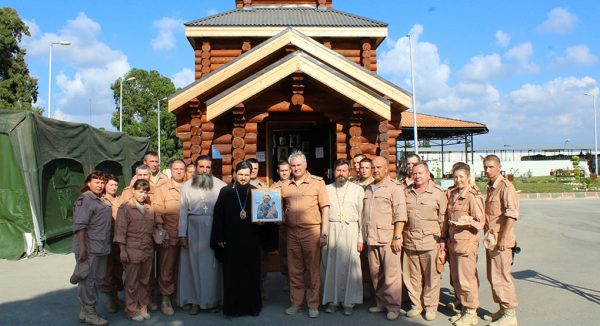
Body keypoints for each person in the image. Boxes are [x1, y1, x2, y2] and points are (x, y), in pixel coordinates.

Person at [210, 161, 269, 316]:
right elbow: (218, 215)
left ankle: (251, 307)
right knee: (232, 275)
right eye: (240, 174)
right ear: (235, 174)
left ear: (251, 175)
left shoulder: (256, 192)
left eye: (246, 175)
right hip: (231, 240)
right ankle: (232, 308)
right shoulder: (226, 191)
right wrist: (219, 237)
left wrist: (263, 221)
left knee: (251, 274)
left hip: (251, 240)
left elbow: (264, 215)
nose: (243, 178)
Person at [281, 151, 330, 318]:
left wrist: (324, 233)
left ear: (305, 165)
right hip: (292, 232)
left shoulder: (318, 183)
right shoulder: (285, 185)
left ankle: (313, 305)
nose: (296, 168)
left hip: (312, 231)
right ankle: (296, 303)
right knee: (294, 270)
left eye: (298, 165)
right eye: (293, 166)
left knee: (313, 270)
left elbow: (325, 208)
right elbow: (270, 197)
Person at [178, 155, 227, 314]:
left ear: (211, 168)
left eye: (207, 167)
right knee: (192, 266)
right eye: (201, 167)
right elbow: (183, 212)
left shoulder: (221, 185)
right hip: (193, 230)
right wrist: (182, 234)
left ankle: (212, 301)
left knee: (212, 267)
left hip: (213, 230)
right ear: (196, 167)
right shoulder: (186, 186)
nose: (204, 170)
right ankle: (195, 301)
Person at [362, 156, 407, 321]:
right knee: (376, 274)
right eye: (373, 167)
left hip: (388, 238)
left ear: (386, 168)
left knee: (391, 274)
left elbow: (400, 214)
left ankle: (394, 307)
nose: (375, 170)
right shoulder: (368, 188)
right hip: (372, 238)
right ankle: (381, 302)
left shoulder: (394, 188)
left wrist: (397, 236)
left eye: (378, 167)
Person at [403, 162, 448, 321]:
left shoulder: (437, 193)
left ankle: (430, 307)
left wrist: (443, 239)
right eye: (415, 173)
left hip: (431, 241)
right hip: (410, 241)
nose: (417, 176)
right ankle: (416, 305)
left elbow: (443, 218)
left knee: (431, 277)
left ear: (428, 174)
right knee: (412, 276)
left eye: (421, 173)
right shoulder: (406, 192)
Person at [321, 159, 364, 315]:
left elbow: (362, 216)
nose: (341, 173)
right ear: (334, 172)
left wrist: (361, 238)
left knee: (350, 266)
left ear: (349, 172)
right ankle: (332, 301)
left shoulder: (358, 190)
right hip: (331, 230)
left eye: (344, 171)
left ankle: (349, 302)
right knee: (330, 267)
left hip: (351, 229)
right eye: (338, 170)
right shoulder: (326, 189)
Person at [482, 155, 520, 326]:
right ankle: (503, 309)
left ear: (499, 167)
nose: (487, 170)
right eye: (485, 167)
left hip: (501, 240)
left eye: (491, 167)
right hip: (492, 239)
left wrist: (504, 237)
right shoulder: (491, 187)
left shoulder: (506, 187)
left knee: (502, 277)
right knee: (493, 276)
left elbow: (512, 214)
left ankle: (510, 315)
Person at [72, 171, 112, 326]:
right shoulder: (85, 199)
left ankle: (85, 311)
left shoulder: (100, 199)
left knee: (95, 279)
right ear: (88, 183)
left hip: (101, 246)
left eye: (102, 182)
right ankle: (90, 313)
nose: (100, 185)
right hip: (89, 247)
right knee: (89, 280)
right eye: (97, 182)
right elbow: (80, 226)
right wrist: (82, 249)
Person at [446, 164, 484, 326]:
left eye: (461, 177)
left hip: (466, 244)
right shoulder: (453, 194)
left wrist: (466, 221)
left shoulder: (472, 196)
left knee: (467, 279)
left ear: (468, 177)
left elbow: (480, 221)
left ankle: (471, 312)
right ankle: (464, 309)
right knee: (457, 278)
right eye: (455, 177)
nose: (458, 180)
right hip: (454, 243)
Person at [114, 179, 158, 322]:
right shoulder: (125, 208)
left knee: (145, 281)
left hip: (147, 250)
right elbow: (120, 231)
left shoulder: (149, 209)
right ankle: (132, 310)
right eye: (140, 191)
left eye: (145, 191)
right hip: (132, 249)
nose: (143, 194)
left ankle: (143, 307)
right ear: (133, 191)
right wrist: (122, 251)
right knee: (132, 282)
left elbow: (153, 230)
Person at [154, 160, 186, 316]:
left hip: (187, 235)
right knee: (167, 268)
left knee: (183, 267)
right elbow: (157, 210)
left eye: (181, 169)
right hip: (170, 234)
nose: (179, 171)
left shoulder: (189, 187)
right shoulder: (163, 188)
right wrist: (161, 231)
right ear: (171, 170)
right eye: (176, 168)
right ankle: (165, 299)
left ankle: (178, 297)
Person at [100, 174, 125, 314]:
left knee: (118, 269)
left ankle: (115, 297)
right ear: (105, 185)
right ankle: (110, 299)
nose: (114, 187)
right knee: (107, 270)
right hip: (106, 239)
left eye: (116, 185)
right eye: (111, 185)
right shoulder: (101, 200)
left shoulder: (119, 199)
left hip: (119, 239)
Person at [271, 160, 291, 291]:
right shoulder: (273, 187)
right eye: (281, 170)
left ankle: (297, 280)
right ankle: (287, 280)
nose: (284, 173)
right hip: (281, 227)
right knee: (284, 254)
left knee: (296, 254)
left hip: (295, 224)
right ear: (278, 171)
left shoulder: (295, 185)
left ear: (290, 171)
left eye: (286, 170)